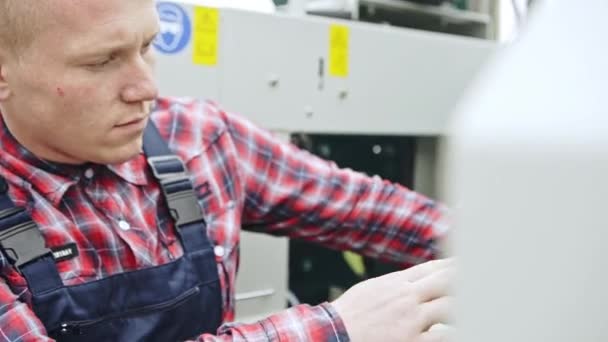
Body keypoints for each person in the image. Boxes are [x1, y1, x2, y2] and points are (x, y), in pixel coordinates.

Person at [0, 0, 453, 341]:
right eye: (101, 61)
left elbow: (366, 209)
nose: (147, 88)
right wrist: (335, 328)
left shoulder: (199, 139)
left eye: (148, 46)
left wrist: (499, 256)